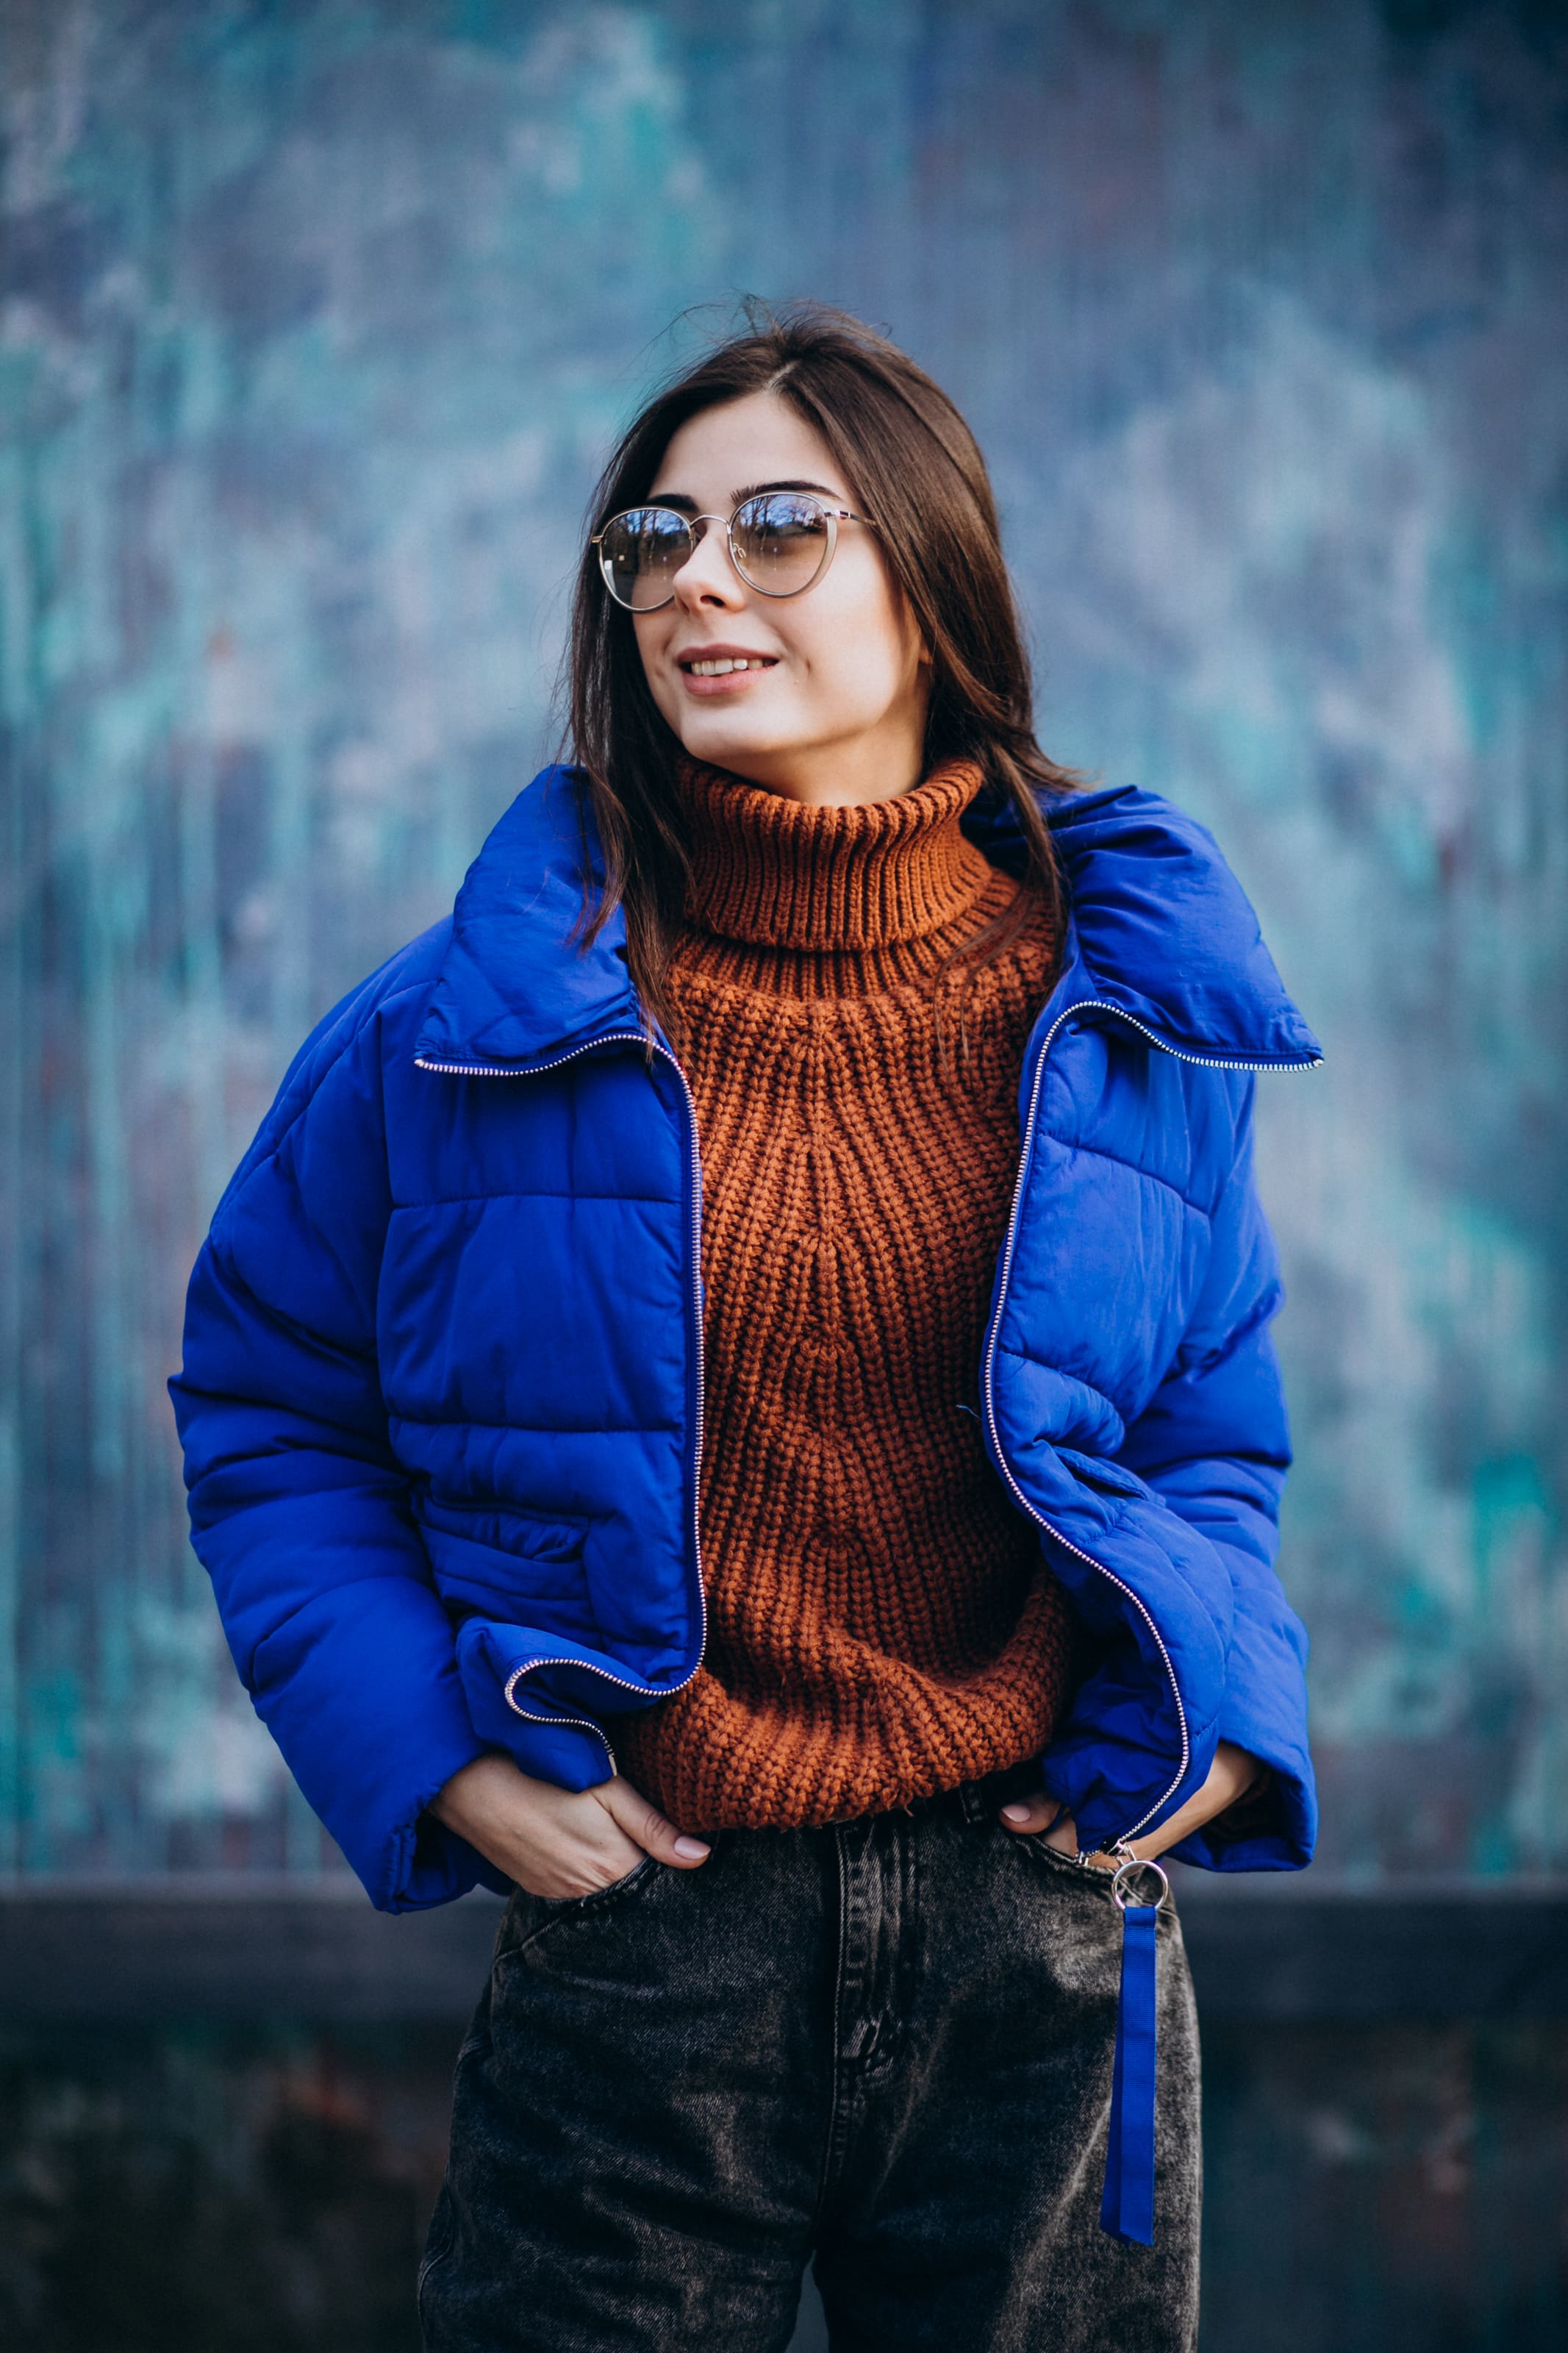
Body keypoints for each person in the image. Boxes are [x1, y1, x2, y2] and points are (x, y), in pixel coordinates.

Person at [170, 303, 1320, 2353]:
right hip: (643, 1940)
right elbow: (271, 1406)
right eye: (654, 539)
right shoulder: (464, 1020)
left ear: (931, 574)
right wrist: (436, 1764)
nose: (696, 578)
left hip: (1043, 1948)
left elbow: (1208, 1425)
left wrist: (1223, 1716)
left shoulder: (1124, 1012)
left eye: (780, 525)